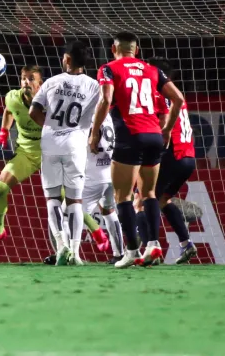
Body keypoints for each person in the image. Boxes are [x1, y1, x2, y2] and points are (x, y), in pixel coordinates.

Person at [89, 32, 185, 268]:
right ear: (136, 49)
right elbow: (179, 99)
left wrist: (95, 131)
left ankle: (131, 251)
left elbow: (105, 99)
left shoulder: (108, 68)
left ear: (114, 49)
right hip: (154, 135)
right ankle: (153, 244)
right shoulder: (152, 70)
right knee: (149, 193)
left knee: (123, 196)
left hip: (129, 136)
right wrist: (167, 130)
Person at [29, 41, 100, 265]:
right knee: (75, 201)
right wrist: (90, 133)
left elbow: (33, 111)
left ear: (67, 59)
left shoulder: (52, 82)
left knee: (51, 198)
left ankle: (61, 246)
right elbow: (102, 112)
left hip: (50, 143)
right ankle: (76, 253)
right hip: (75, 146)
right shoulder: (94, 86)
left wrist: (50, 128)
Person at [0, 65, 43, 253]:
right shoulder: (13, 97)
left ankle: (97, 233)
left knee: (68, 199)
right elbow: (9, 110)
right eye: (23, 78)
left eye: (31, 79)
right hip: (26, 153)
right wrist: (3, 135)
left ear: (40, 83)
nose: (26, 82)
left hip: (50, 153)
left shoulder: (49, 98)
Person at [147, 56, 198, 264]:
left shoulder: (161, 93)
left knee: (144, 199)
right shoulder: (177, 94)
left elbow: (161, 124)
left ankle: (150, 248)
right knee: (162, 200)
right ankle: (186, 243)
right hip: (189, 159)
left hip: (173, 155)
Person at [84, 111, 124, 265]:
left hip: (92, 175)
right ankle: (119, 253)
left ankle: (68, 254)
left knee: (70, 212)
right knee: (108, 211)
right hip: (110, 171)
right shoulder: (109, 115)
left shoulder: (87, 116)